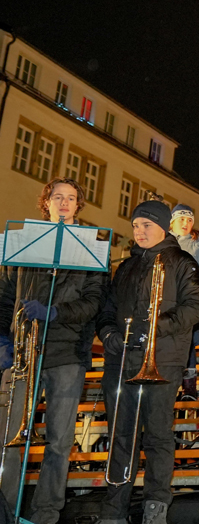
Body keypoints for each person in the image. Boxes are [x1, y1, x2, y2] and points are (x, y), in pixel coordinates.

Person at [0, 179, 105, 524]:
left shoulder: (89, 247)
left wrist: (55, 313)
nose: (64, 202)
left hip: (67, 355)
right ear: (45, 202)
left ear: (78, 206)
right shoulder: (25, 243)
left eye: (71, 198)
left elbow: (93, 301)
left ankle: (46, 514)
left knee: (59, 442)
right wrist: (3, 340)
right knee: (8, 438)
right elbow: (4, 297)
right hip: (23, 352)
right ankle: (6, 510)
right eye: (57, 197)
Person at [95, 200, 199, 524]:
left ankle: (156, 505)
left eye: (146, 225)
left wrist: (156, 326)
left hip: (164, 359)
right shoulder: (126, 267)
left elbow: (195, 307)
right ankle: (114, 508)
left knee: (157, 435)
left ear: (162, 226)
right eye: (135, 226)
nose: (139, 231)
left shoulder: (182, 262)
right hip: (122, 360)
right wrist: (110, 334)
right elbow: (106, 311)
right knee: (121, 436)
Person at [169, 204, 199, 399]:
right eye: (181, 219)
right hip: (168, 301)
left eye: (189, 220)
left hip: (190, 300)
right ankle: (169, 385)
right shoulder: (163, 241)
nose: (186, 223)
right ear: (172, 221)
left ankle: (189, 388)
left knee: (188, 343)